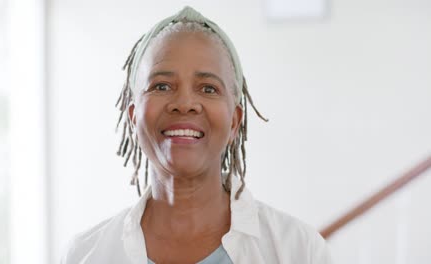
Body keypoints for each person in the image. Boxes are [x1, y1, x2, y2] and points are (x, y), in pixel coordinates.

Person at [61, 6, 332, 264]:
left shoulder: (299, 249)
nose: (185, 102)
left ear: (234, 122)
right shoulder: (86, 254)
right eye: (162, 85)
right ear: (133, 116)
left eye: (208, 88)